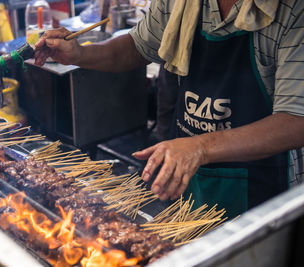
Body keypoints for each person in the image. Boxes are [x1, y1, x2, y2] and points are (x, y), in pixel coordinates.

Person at [34, 0, 304, 218]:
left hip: (262, 190)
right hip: (189, 179)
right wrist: (81, 55)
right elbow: (138, 46)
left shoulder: (292, 11)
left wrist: (200, 147)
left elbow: (296, 121)